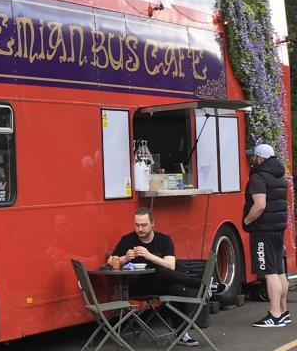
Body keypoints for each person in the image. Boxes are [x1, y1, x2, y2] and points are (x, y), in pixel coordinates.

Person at [110, 207, 224, 347]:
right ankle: (204, 284)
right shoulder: (128, 240)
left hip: (159, 284)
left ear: (153, 224)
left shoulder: (163, 240)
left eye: (144, 225)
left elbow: (171, 266)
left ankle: (182, 333)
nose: (140, 229)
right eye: (137, 225)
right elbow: (110, 261)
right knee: (160, 272)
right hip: (136, 287)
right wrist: (124, 258)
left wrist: (149, 256)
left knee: (175, 288)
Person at [243, 143, 289, 327]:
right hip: (278, 229)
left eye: (254, 156)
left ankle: (275, 314)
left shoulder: (258, 177)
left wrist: (247, 220)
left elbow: (260, 205)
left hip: (263, 230)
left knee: (270, 273)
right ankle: (283, 312)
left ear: (260, 158)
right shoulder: (279, 176)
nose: (252, 159)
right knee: (279, 271)